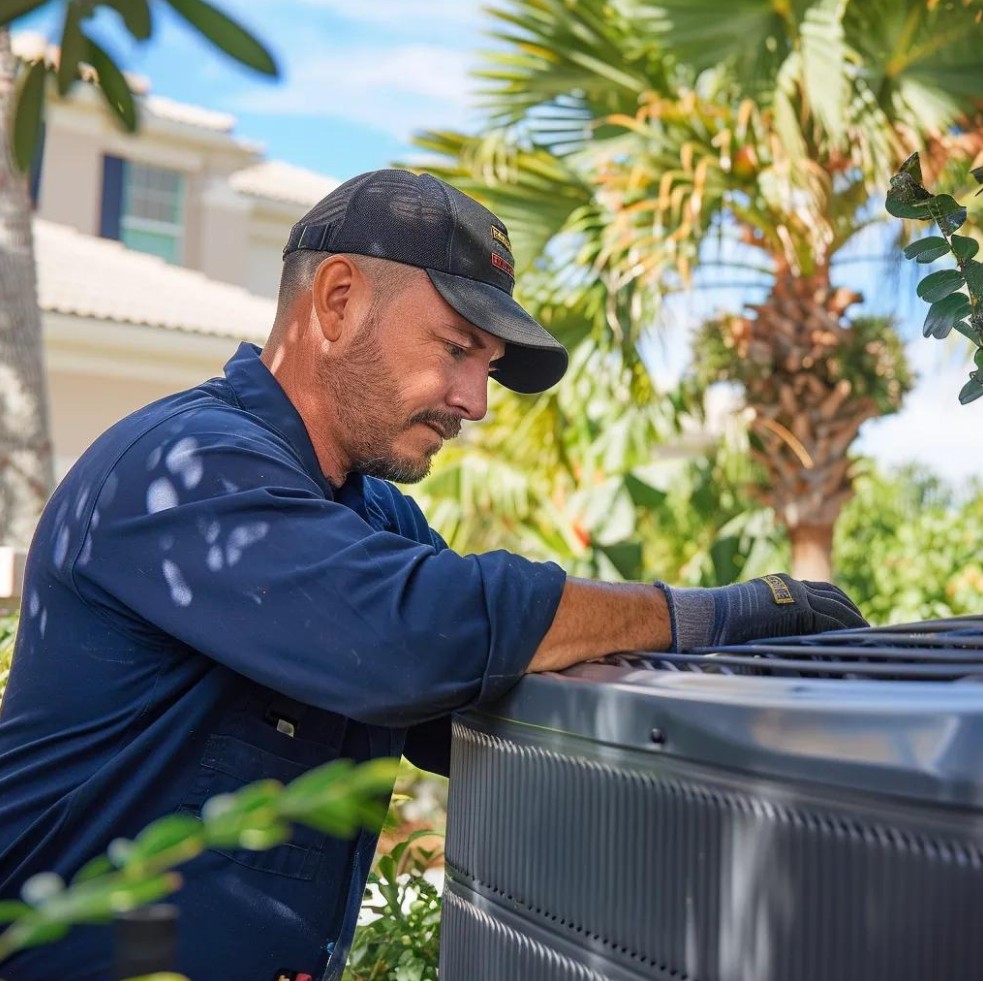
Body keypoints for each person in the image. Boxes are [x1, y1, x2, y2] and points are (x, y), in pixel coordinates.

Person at [0, 169, 867, 980]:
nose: (474, 402)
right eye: (455, 349)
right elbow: (416, 637)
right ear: (336, 302)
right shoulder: (181, 468)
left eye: (484, 367)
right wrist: (726, 613)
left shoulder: (372, 517)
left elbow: (479, 690)